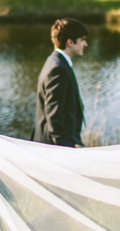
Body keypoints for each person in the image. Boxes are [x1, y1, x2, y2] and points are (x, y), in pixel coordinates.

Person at [32, 18, 89, 148]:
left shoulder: (55, 61)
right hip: (52, 147)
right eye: (82, 40)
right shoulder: (58, 70)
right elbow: (54, 118)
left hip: (51, 144)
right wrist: (67, 149)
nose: (85, 44)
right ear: (70, 42)